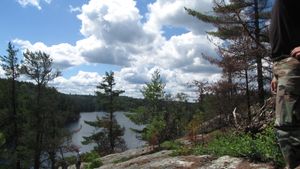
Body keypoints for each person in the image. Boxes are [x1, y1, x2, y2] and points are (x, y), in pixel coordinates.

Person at [270, 0, 300, 168]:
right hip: (283, 65)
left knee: (289, 127)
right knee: (285, 126)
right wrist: (276, 74)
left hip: (293, 64)